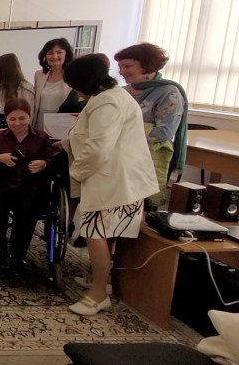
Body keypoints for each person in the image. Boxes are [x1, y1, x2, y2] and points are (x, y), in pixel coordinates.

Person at [59, 55, 159, 315]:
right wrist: (65, 143)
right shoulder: (109, 97)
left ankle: (98, 295)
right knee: (104, 233)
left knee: (94, 233)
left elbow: (98, 147)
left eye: (75, 85)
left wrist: (76, 171)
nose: (75, 91)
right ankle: (101, 281)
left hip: (113, 179)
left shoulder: (108, 102)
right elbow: (87, 134)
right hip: (113, 178)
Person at [115, 43, 187, 210]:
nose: (122, 72)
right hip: (118, 157)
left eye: (127, 66)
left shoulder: (169, 92)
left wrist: (119, 135)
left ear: (146, 65)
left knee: (140, 209)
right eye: (120, 67)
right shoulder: (121, 91)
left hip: (146, 156)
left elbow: (164, 132)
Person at [0, 98, 53, 269]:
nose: (17, 123)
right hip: (4, 185)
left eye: (22, 118)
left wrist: (43, 164)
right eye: (12, 119)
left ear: (29, 117)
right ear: (6, 119)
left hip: (30, 187)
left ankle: (18, 255)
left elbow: (51, 160)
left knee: (27, 213)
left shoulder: (42, 137)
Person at [33, 38, 74, 130]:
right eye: (50, 53)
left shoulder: (73, 76)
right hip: (40, 122)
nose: (55, 56)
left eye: (59, 52)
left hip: (63, 124)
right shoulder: (39, 75)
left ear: (66, 54)